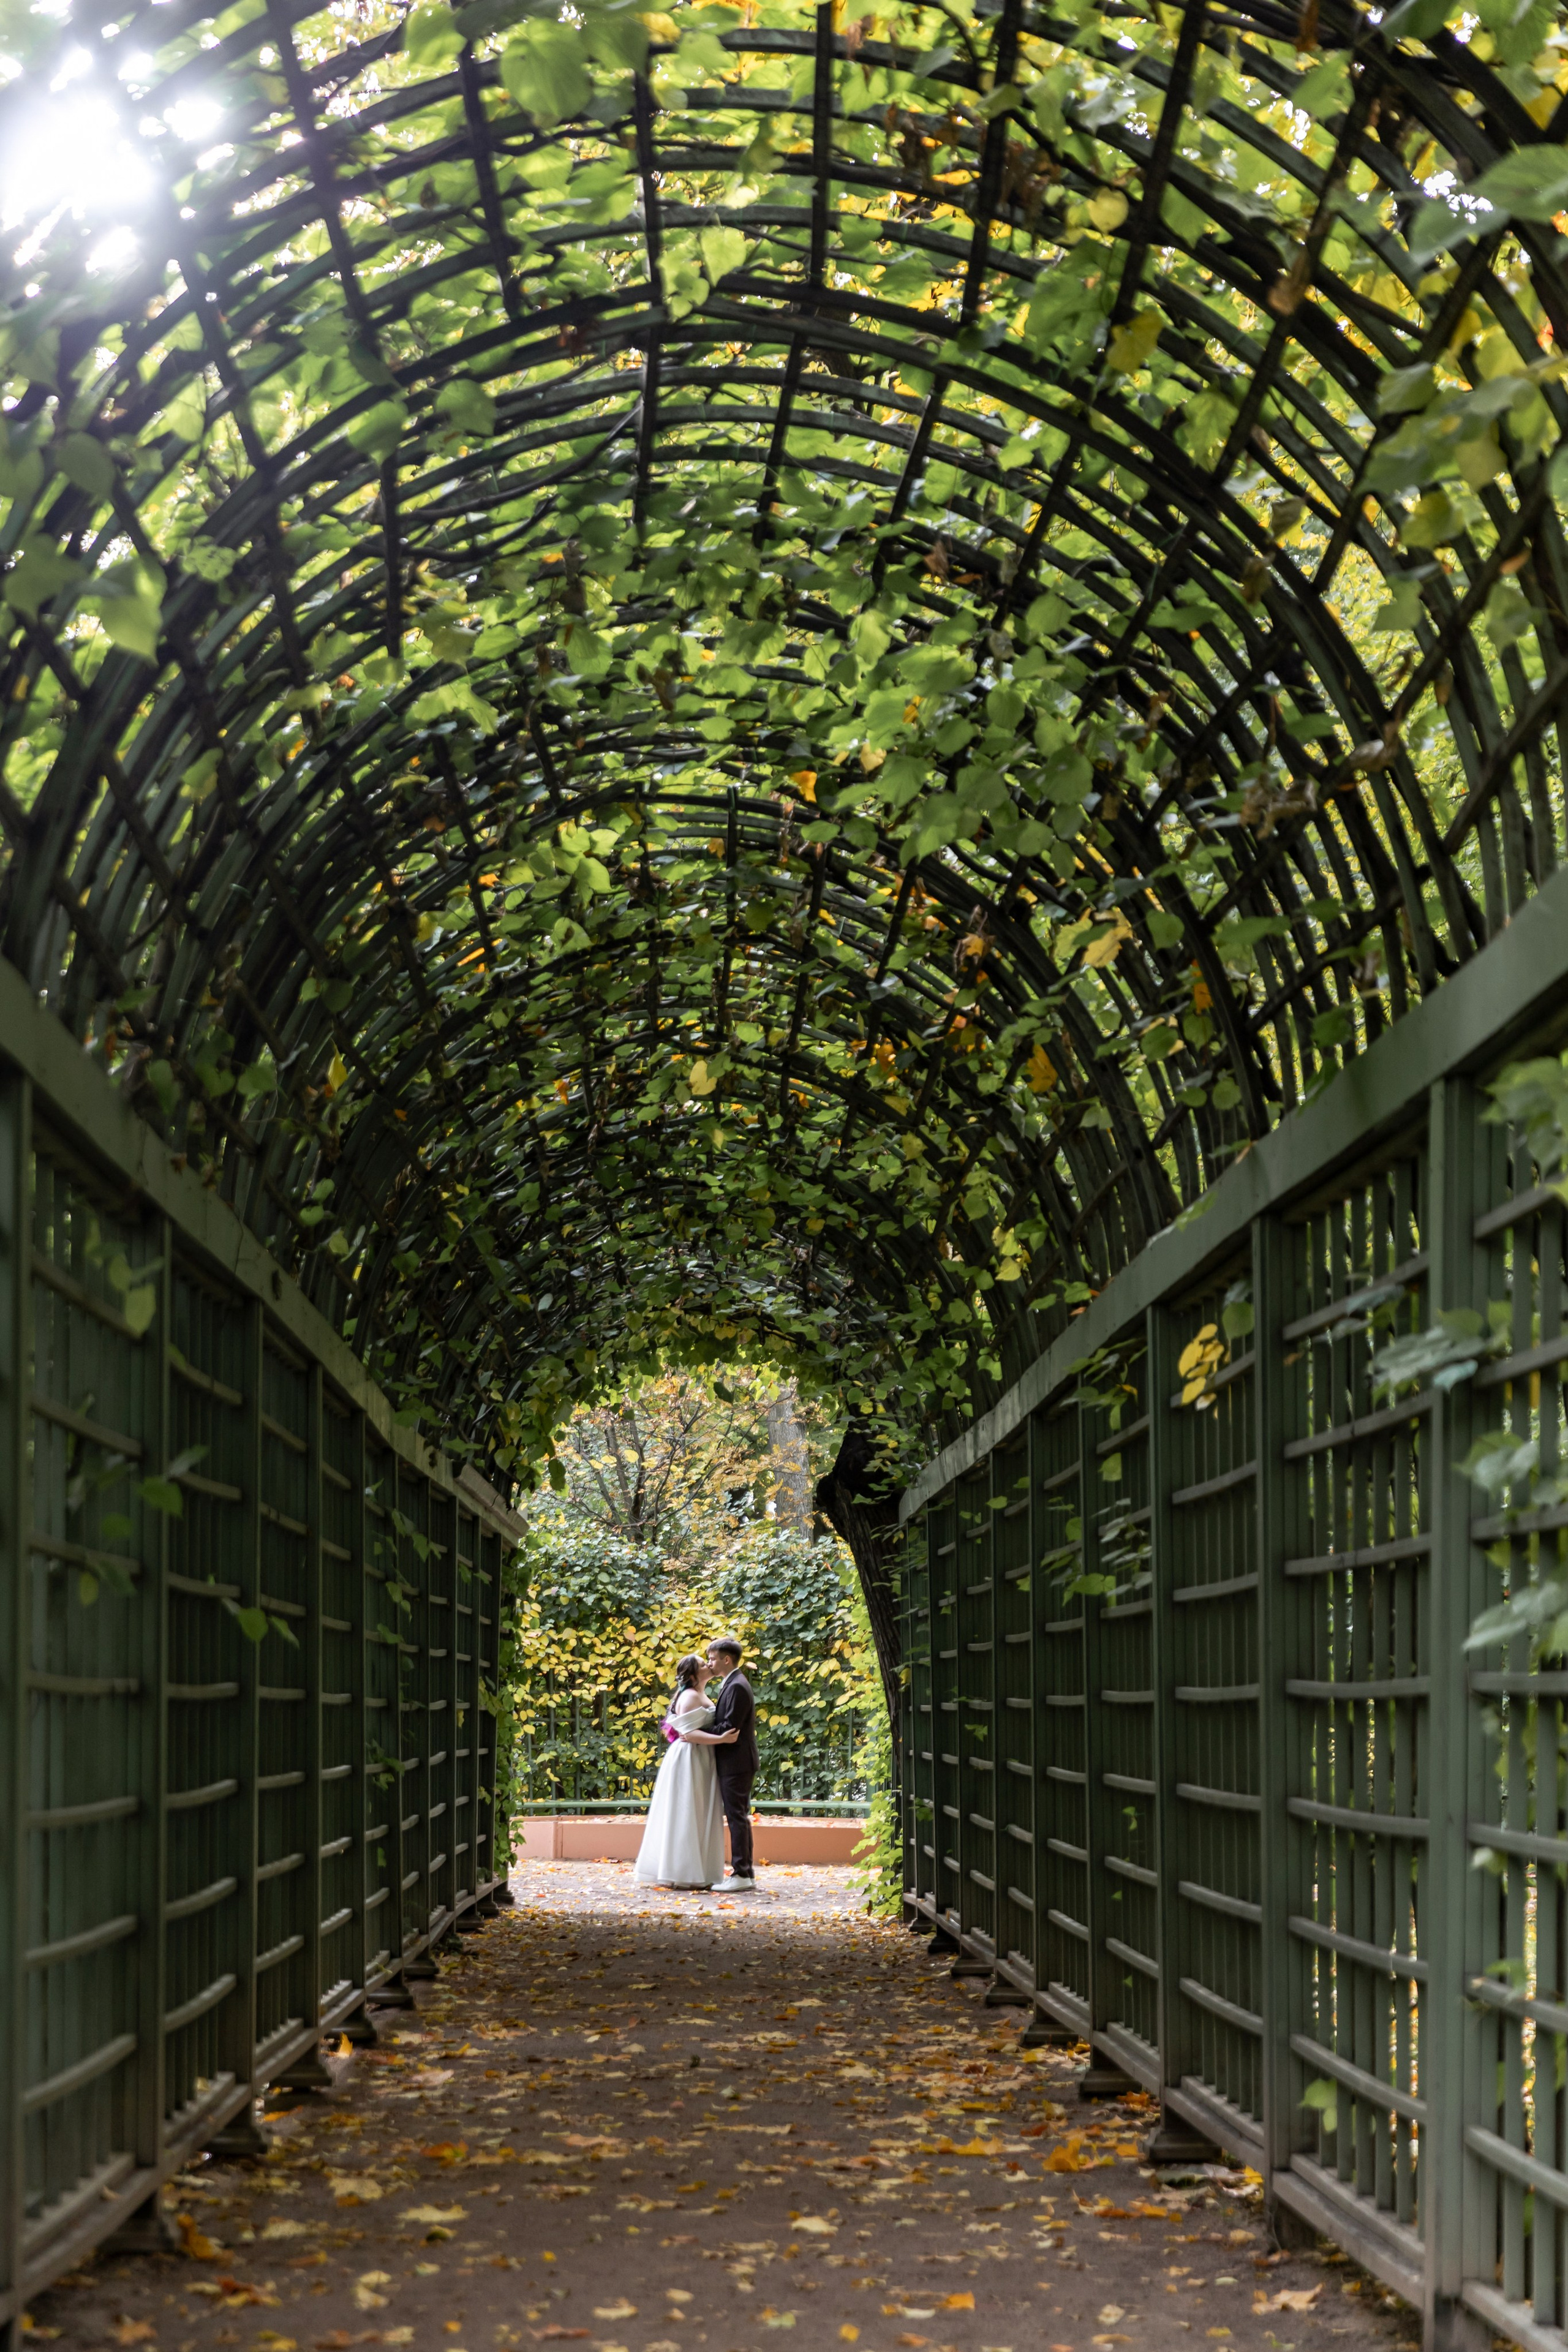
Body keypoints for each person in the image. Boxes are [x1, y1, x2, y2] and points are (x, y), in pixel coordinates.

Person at [633, 1653, 725, 1888]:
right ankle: (684, 1872)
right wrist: (723, 1739)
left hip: (700, 1755)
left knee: (696, 1810)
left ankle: (696, 1870)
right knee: (687, 1811)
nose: (709, 1665)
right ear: (694, 1674)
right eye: (704, 1664)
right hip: (690, 1757)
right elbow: (690, 1734)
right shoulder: (691, 1696)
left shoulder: (699, 1694)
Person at [677, 1635, 759, 1893]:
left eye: (712, 1658)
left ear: (726, 1659)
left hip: (736, 1762)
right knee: (737, 1816)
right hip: (733, 1761)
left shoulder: (735, 1685)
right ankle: (743, 1872)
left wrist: (696, 1731)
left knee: (737, 1816)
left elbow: (729, 1727)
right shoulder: (731, 1682)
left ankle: (742, 1874)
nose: (710, 1662)